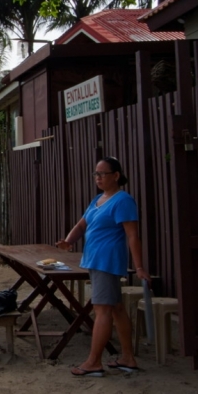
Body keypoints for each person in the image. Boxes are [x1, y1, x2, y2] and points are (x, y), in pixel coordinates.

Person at [56, 157, 150, 377]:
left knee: (102, 310)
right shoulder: (99, 199)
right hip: (95, 259)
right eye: (96, 174)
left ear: (116, 176)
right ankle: (128, 357)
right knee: (115, 308)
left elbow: (132, 235)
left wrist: (139, 267)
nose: (98, 178)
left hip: (106, 261)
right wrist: (69, 241)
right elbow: (82, 224)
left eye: (102, 174)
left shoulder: (123, 200)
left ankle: (94, 362)